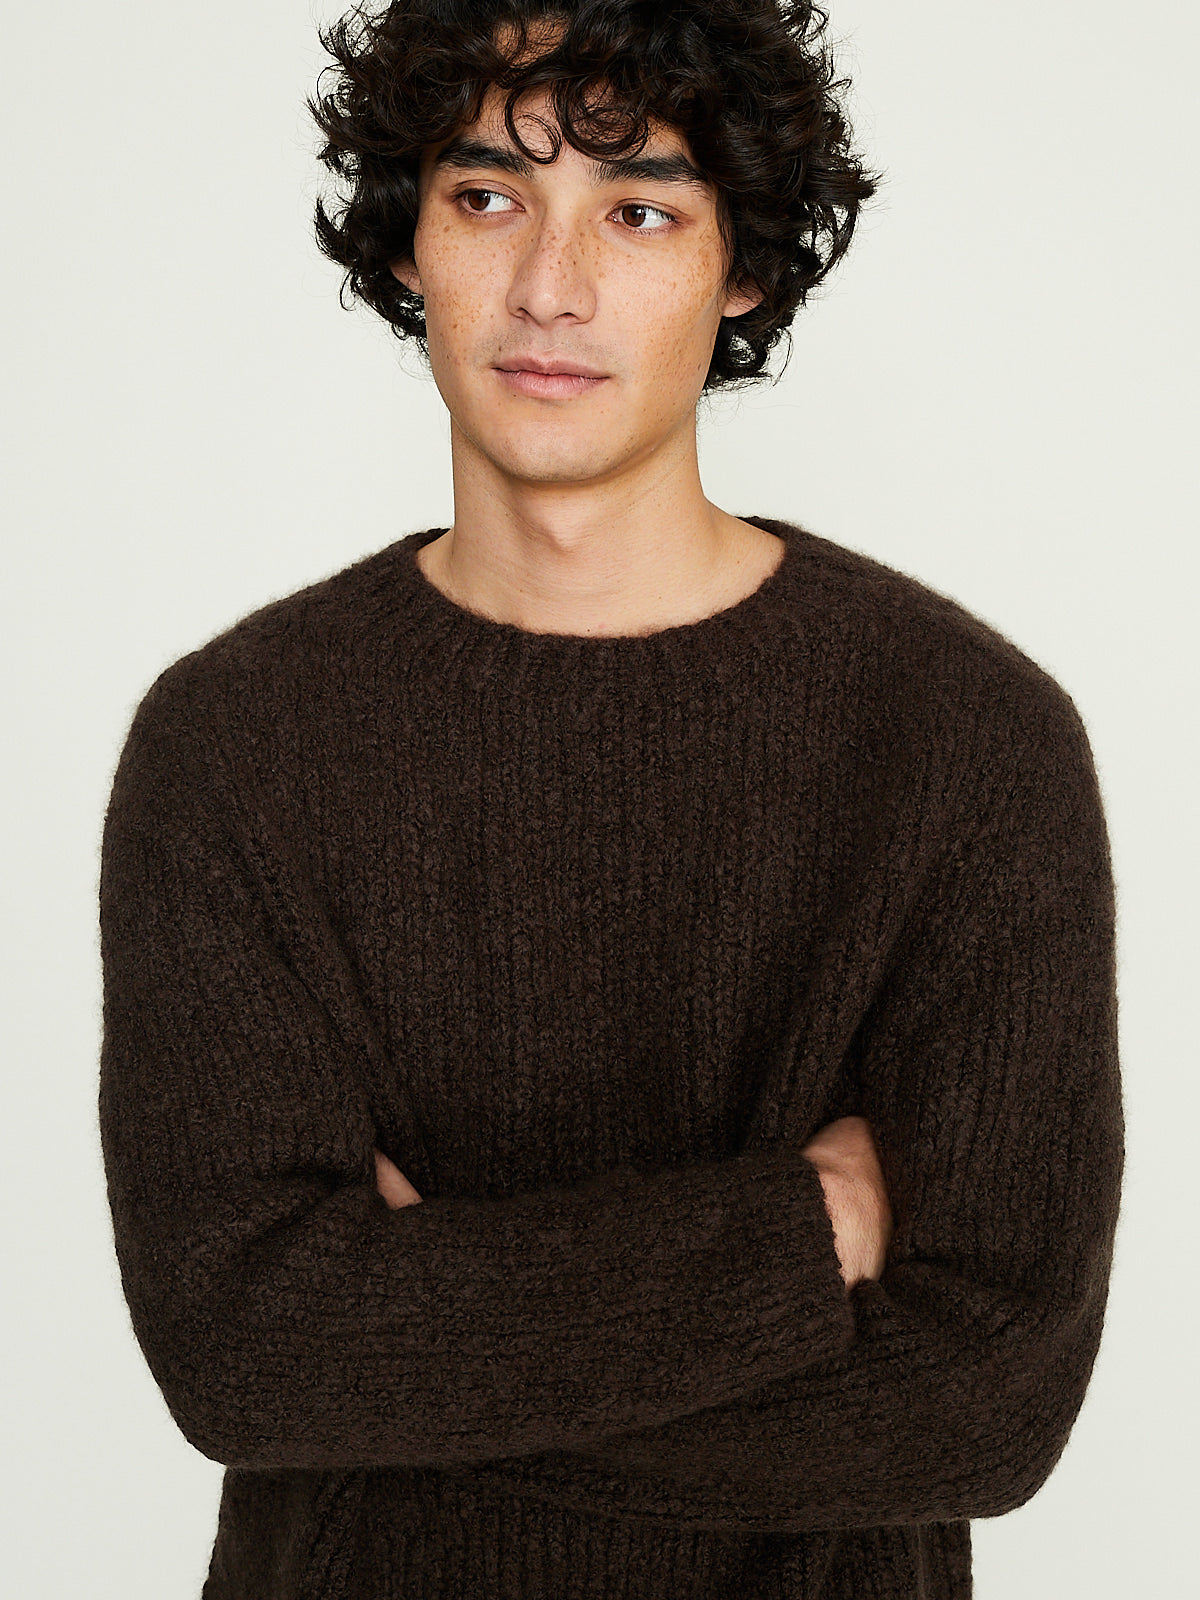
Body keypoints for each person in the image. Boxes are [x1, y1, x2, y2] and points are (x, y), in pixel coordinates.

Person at [97, 4, 1124, 1598]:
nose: (550, 286)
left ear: (744, 266)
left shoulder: (969, 744)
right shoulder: (231, 745)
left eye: (639, 211)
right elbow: (243, 1358)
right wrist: (801, 1235)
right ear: (408, 242)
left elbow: (989, 1406)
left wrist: (406, 1343)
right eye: (487, 196)